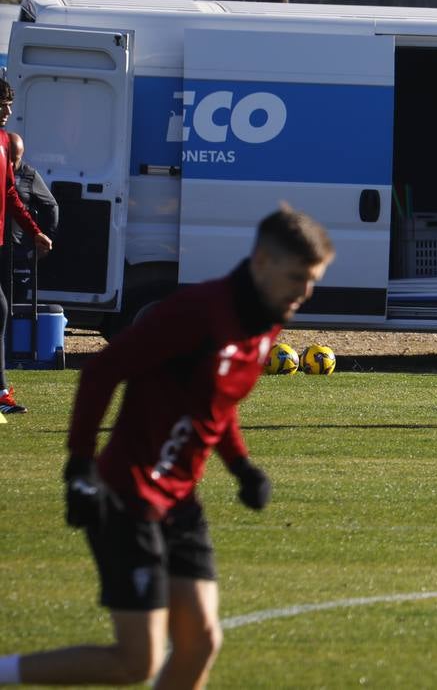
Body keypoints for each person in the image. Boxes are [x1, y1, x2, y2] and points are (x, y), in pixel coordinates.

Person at [0, 207, 333, 687]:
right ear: (262, 262)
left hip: (179, 503)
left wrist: (241, 467)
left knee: (201, 642)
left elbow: (216, 405)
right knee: (136, 662)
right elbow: (101, 373)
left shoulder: (266, 326)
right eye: (298, 277)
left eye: (314, 280)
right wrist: (79, 466)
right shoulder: (198, 312)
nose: (305, 292)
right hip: (127, 495)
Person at [0, 78, 55, 416]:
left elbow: (10, 193)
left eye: (9, 104)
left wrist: (35, 232)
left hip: (0, 243)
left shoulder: (5, 142)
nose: (8, 110)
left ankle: (1, 393)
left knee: (1, 310)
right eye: (2, 104)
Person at [4, 131, 59, 319]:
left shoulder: (29, 175)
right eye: (8, 159)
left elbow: (51, 206)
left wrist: (45, 236)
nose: (12, 166)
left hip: (18, 251)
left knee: (14, 304)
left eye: (16, 160)